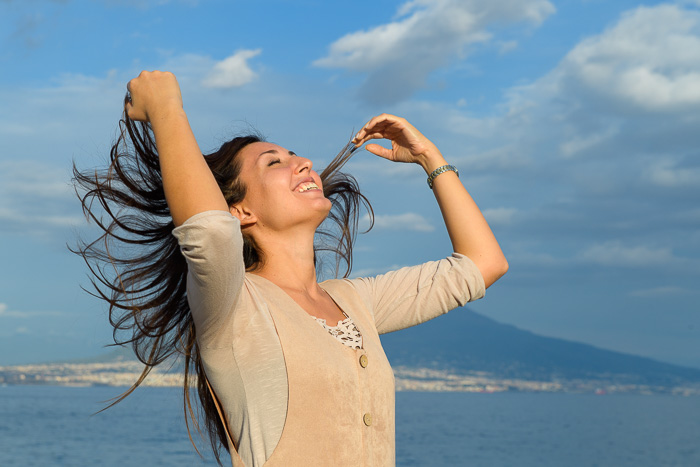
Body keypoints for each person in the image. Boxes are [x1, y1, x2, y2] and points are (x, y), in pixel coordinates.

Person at [74, 70, 508, 467]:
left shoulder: (357, 301)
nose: (304, 163)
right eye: (273, 162)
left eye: (296, 155)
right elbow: (208, 233)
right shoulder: (232, 303)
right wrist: (166, 107)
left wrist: (430, 158)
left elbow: (483, 264)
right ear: (239, 211)